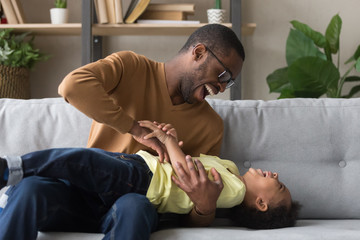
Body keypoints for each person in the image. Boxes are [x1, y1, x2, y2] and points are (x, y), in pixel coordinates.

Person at [0, 24, 245, 240]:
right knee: (29, 189)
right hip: (82, 190)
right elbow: (72, 86)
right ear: (199, 53)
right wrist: (133, 128)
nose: (222, 87)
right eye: (223, 75)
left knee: (135, 207)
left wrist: (205, 207)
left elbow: (188, 214)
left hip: (135, 204)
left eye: (230, 81)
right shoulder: (131, 66)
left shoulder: (211, 126)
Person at [0, 121, 300, 230]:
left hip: (140, 182)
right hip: (134, 167)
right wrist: (169, 142)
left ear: (261, 203)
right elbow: (183, 165)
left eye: (279, 183)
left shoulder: (233, 188)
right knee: (42, 182)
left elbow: (187, 174)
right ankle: (16, 181)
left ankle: (9, 168)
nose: (274, 173)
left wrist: (169, 142)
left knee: (81, 161)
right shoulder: (230, 168)